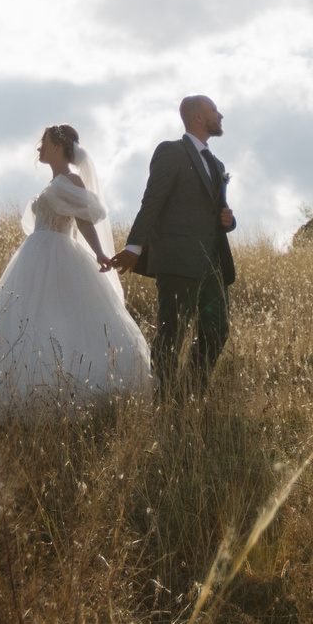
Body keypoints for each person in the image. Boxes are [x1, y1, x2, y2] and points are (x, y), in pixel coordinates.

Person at [0, 125, 152, 416]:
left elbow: (84, 220)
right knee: (24, 318)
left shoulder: (71, 180)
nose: (38, 148)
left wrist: (98, 253)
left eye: (42, 142)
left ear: (57, 146)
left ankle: (63, 385)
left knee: (57, 318)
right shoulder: (54, 182)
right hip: (35, 255)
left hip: (58, 255)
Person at [106, 95, 237, 400]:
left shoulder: (217, 164)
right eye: (214, 111)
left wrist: (228, 220)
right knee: (172, 334)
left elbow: (218, 211)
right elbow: (152, 199)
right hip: (177, 261)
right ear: (199, 117)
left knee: (217, 329)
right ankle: (162, 399)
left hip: (213, 263)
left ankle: (191, 394)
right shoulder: (171, 152)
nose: (220, 115)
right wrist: (135, 247)